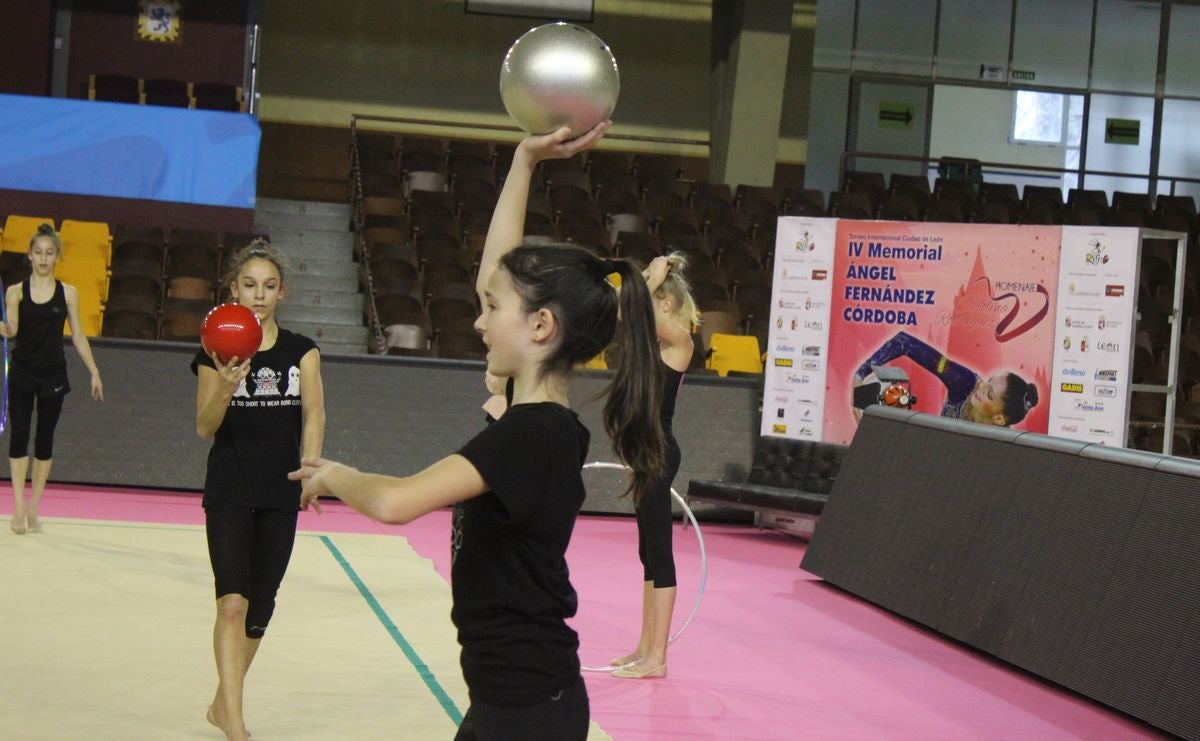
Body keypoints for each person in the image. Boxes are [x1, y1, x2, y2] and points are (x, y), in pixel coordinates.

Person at [289, 121, 666, 741]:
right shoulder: (535, 414)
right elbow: (498, 271)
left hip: (525, 710)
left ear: (541, 326)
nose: (480, 321)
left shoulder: (527, 437)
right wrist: (522, 161)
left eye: (493, 310)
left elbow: (394, 502)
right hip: (515, 698)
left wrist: (335, 474)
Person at [192, 240, 325, 741]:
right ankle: (237, 724)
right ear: (233, 290)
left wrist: (310, 470)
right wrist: (227, 383)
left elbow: (314, 413)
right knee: (232, 603)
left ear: (281, 293)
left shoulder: (301, 351)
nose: (259, 294)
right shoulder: (213, 348)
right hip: (229, 488)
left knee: (260, 608)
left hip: (280, 492)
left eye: (269, 286)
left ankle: (220, 704)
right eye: (249, 284)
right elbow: (205, 427)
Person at [609, 253, 697, 679]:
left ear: (665, 304)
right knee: (647, 553)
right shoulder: (656, 346)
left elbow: (630, 309)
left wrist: (649, 276)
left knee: (660, 554)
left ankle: (657, 659)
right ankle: (645, 648)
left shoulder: (680, 340)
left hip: (660, 453)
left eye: (654, 295)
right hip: (646, 455)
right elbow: (624, 314)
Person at [2, 223, 104, 535]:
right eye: (38, 252)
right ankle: (18, 507)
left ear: (56, 256)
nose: (44, 258)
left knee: (44, 440)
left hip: (53, 375)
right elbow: (13, 329)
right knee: (19, 436)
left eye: (49, 253)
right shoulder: (15, 292)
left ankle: (34, 509)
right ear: (29, 255)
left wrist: (94, 371)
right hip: (21, 373)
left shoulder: (68, 294)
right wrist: (3, 327)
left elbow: (78, 337)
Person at [852, 330, 1038, 427]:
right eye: (989, 380)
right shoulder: (965, 384)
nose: (982, 386)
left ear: (998, 419)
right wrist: (860, 375)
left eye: (990, 394)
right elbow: (904, 342)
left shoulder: (1002, 448)